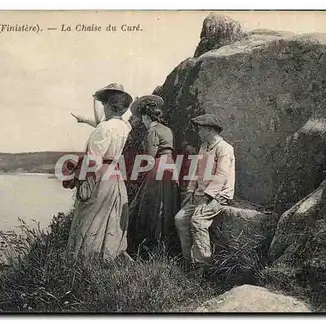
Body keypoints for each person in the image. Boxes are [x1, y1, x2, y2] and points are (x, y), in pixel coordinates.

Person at [66, 84, 133, 260]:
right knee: (110, 216)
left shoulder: (104, 128)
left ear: (108, 107)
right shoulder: (125, 127)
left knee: (90, 215)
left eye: (104, 105)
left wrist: (83, 181)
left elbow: (93, 159)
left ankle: (84, 257)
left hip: (101, 174)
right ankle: (108, 255)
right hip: (116, 174)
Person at [174, 113, 235, 267]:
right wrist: (190, 191)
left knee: (198, 221)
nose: (198, 132)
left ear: (210, 129)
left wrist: (206, 198)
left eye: (201, 129)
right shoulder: (204, 147)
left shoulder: (225, 148)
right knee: (180, 219)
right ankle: (189, 262)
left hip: (218, 196)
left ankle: (204, 265)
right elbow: (196, 171)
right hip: (200, 194)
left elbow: (221, 176)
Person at [127, 95, 181, 255]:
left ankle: (149, 247)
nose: (142, 122)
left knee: (150, 206)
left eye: (142, 118)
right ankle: (166, 247)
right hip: (170, 167)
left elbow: (150, 158)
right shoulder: (167, 129)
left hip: (158, 168)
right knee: (167, 206)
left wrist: (140, 176)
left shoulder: (152, 131)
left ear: (145, 116)